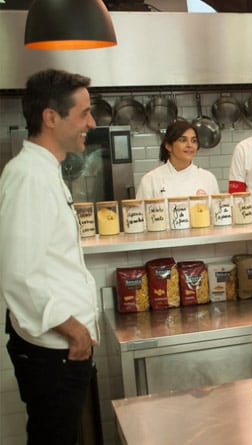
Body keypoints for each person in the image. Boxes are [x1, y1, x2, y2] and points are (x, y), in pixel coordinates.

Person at [0, 69, 99, 445]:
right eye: (84, 113)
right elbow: (18, 273)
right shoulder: (27, 176)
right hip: (52, 351)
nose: (91, 122)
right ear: (51, 117)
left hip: (59, 348)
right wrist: (74, 331)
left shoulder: (45, 170)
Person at [135, 119, 219, 199]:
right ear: (168, 146)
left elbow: (217, 211)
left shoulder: (208, 179)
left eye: (194, 141)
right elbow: (138, 213)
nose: (190, 145)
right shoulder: (150, 181)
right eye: (183, 140)